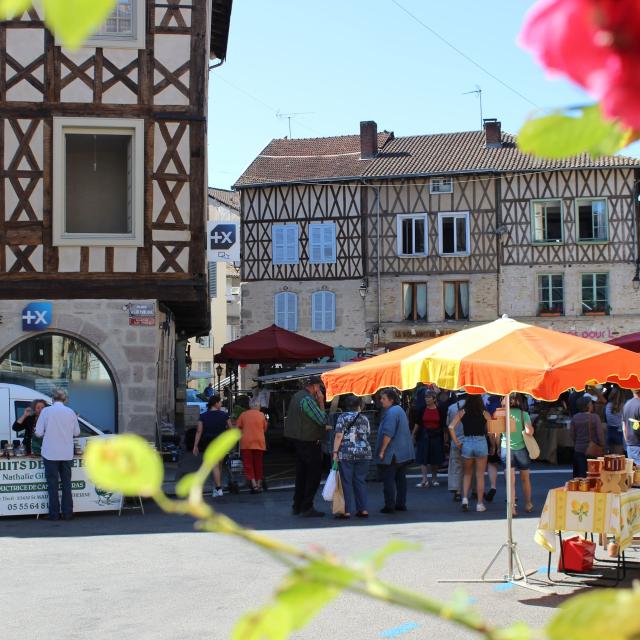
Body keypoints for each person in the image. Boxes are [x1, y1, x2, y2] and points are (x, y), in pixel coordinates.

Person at [284, 376, 329, 517]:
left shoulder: (297, 396)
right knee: (313, 476)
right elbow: (322, 420)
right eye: (319, 387)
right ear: (315, 387)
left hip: (298, 440)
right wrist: (321, 402)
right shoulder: (308, 400)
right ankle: (307, 506)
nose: (320, 390)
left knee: (301, 474)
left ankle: (297, 505)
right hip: (308, 441)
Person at [34, 388, 80, 521]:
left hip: (50, 453)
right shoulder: (70, 412)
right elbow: (77, 433)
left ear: (52, 399)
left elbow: (39, 433)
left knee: (52, 485)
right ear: (65, 399)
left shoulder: (46, 411)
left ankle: (54, 515)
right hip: (66, 454)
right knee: (67, 484)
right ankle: (68, 513)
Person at [448, 394, 492, 512]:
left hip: (467, 442)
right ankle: (479, 504)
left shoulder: (462, 412)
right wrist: (493, 444)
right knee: (480, 475)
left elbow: (451, 427)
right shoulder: (484, 412)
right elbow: (492, 431)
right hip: (481, 442)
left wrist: (457, 443)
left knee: (467, 474)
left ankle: (465, 499)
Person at [332, 395, 372, 519]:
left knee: (346, 482)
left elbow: (339, 435)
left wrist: (334, 452)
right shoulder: (365, 418)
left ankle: (346, 510)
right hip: (364, 453)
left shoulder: (342, 417)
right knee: (360, 481)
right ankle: (363, 509)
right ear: (358, 405)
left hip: (347, 453)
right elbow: (368, 434)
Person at [376, 388, 414, 514]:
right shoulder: (399, 410)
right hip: (402, 453)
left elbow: (388, 433)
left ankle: (389, 505)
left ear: (391, 400)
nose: (381, 401)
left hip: (393, 453)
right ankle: (400, 503)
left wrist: (382, 451)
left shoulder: (391, 412)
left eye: (383, 398)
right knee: (400, 479)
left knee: (389, 480)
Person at [500, 393, 535, 516]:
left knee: (510, 482)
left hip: (506, 449)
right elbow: (529, 431)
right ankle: (528, 503)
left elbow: (495, 432)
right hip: (521, 449)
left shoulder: (502, 414)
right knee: (525, 479)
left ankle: (512, 508)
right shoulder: (523, 414)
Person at [193, 395, 229, 497]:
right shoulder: (224, 415)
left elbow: (199, 431)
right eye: (220, 402)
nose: (221, 404)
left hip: (209, 442)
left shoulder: (203, 416)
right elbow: (231, 428)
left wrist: (195, 445)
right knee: (219, 465)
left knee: (215, 465)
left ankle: (218, 488)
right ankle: (217, 486)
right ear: (216, 403)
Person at [412, 390, 444, 487]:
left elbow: (443, 425)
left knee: (435, 458)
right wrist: (413, 434)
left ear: (434, 399)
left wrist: (445, 439)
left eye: (429, 397)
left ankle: (434, 479)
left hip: (436, 436)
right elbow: (417, 423)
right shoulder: (422, 409)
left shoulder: (439, 410)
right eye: (426, 397)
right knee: (422, 457)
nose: (427, 399)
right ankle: (424, 479)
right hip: (424, 435)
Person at [236, 398, 268, 493]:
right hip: (259, 442)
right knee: (258, 463)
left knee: (248, 464)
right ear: (258, 406)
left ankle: (253, 484)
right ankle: (259, 483)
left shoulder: (243, 415)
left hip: (246, 442)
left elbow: (237, 427)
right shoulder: (262, 415)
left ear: (250, 406)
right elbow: (265, 429)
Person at [570, 395, 605, 477]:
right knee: (592, 474)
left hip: (578, 449)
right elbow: (600, 434)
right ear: (588, 406)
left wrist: (577, 442)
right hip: (592, 450)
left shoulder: (575, 417)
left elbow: (572, 434)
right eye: (591, 404)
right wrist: (603, 446)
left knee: (579, 474)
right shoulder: (595, 417)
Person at [484, 394, 503, 503]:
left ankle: (493, 486)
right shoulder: (500, 406)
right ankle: (511, 494)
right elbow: (498, 431)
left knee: (491, 464)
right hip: (503, 440)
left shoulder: (487, 406)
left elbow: (491, 430)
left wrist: (493, 446)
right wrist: (498, 446)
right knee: (506, 466)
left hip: (489, 438)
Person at [447, 395, 465, 501]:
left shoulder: (451, 408)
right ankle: (475, 490)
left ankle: (457, 491)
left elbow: (448, 424)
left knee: (456, 465)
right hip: (470, 440)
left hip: (456, 440)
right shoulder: (475, 407)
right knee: (471, 468)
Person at [605, 386, 626, 454]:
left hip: (609, 430)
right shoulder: (624, 406)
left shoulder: (608, 405)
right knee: (618, 459)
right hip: (619, 431)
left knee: (610, 458)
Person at [622, 389, 640, 465]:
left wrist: (627, 442)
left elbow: (624, 425)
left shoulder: (627, 404)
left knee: (632, 473)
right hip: (637, 445)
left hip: (630, 445)